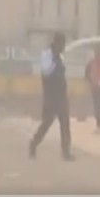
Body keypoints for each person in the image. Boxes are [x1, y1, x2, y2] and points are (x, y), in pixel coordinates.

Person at [28, 32, 72, 160]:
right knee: (46, 123)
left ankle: (66, 152)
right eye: (61, 44)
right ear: (56, 43)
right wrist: (55, 59)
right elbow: (46, 71)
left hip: (61, 96)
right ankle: (33, 144)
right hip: (50, 96)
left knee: (65, 124)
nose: (63, 47)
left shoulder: (60, 56)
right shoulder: (46, 55)